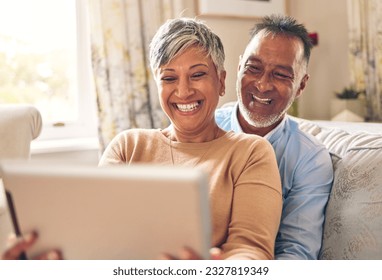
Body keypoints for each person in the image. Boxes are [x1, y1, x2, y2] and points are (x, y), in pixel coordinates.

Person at [3, 17, 282, 260]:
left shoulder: (251, 152)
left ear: (221, 81)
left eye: (197, 75)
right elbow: (97, 234)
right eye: (169, 78)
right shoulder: (128, 147)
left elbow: (252, 251)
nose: (183, 91)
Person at [215, 14, 334, 260]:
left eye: (281, 75)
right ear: (239, 69)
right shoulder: (203, 127)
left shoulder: (310, 160)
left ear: (301, 85)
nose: (262, 84)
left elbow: (296, 253)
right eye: (253, 68)